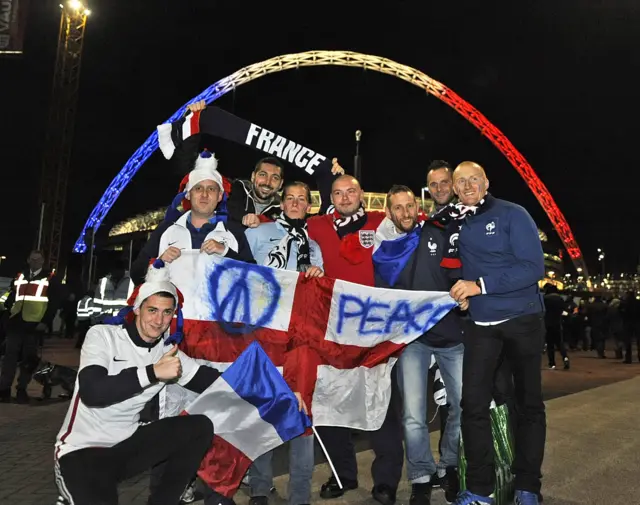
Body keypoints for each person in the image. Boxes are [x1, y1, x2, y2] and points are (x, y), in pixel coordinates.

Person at [53, 279, 221, 505]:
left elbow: (216, 384)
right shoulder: (103, 335)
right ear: (137, 309)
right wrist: (153, 372)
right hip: (82, 452)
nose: (159, 320)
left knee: (199, 427)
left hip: (126, 446)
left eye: (167, 312)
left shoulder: (168, 353)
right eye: (152, 310)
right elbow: (93, 394)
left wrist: (266, 384)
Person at [447, 161, 546, 505]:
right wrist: (461, 294)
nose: (469, 185)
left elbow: (533, 267)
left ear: (486, 182)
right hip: (480, 325)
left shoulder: (513, 213)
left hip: (522, 320)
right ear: (455, 187)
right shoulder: (455, 220)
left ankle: (528, 486)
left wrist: (480, 286)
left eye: (475, 178)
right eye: (462, 181)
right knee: (472, 405)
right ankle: (479, 488)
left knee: (527, 405)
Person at [307, 174, 404, 505]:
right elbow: (288, 238)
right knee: (331, 402)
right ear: (330, 196)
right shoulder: (316, 226)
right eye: (338, 192)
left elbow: (413, 233)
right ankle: (341, 474)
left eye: (351, 191)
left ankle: (386, 481)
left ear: (362, 193)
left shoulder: (381, 221)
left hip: (374, 330)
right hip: (332, 331)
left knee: (382, 401)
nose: (345, 197)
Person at [373, 185, 464, 505]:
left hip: (452, 335)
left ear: (418, 206)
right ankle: (421, 477)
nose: (405, 213)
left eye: (410, 205)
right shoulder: (383, 251)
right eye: (397, 208)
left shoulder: (438, 234)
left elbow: (462, 267)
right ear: (389, 213)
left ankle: (450, 466)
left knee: (463, 406)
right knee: (412, 414)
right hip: (413, 341)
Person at [245, 180, 323, 505]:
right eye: (289, 198)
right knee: (265, 411)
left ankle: (300, 495)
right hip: (265, 335)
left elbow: (320, 295)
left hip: (301, 340)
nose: (294, 203)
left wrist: (319, 275)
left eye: (300, 199)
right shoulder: (257, 234)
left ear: (308, 206)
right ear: (282, 202)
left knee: (302, 413)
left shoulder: (314, 246)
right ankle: (260, 488)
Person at [130, 150, 254, 285]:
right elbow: (136, 274)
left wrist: (226, 252)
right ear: (188, 194)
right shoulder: (167, 228)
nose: (205, 195)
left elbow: (255, 278)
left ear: (220, 196)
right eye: (198, 188)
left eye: (211, 189)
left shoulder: (233, 231)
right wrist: (160, 261)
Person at [0, 250, 62, 404]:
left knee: (29, 359)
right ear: (28, 260)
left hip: (34, 324)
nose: (35, 262)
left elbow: (53, 303)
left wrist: (45, 322)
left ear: (43, 261)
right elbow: (12, 295)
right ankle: (4, 389)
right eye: (32, 259)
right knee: (10, 357)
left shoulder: (50, 278)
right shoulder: (20, 275)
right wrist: (7, 312)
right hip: (16, 321)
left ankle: (22, 389)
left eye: (38, 259)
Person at [543, 284, 570, 370]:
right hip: (557, 323)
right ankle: (565, 357)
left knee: (550, 344)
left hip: (547, 324)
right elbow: (564, 310)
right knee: (559, 343)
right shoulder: (560, 299)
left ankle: (552, 364)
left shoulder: (545, 299)